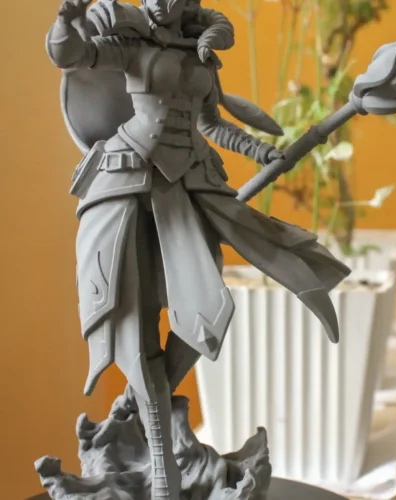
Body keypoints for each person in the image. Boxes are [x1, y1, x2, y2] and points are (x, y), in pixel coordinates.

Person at [46, 0, 350, 498]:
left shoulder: (199, 52)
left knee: (207, 312)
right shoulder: (131, 44)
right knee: (131, 318)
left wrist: (259, 150)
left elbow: (210, 125)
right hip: (126, 182)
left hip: (189, 186)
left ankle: (145, 399)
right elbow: (73, 55)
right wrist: (67, 22)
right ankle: (162, 464)